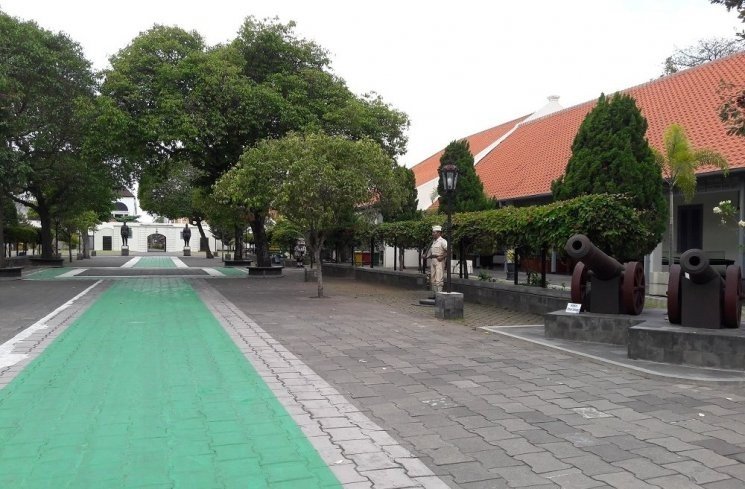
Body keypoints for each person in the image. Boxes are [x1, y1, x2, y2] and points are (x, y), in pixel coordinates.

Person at [427, 225, 448, 295]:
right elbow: (432, 252)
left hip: (439, 261)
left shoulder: (443, 241)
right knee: (432, 279)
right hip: (433, 260)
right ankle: (435, 294)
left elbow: (449, 250)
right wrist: (426, 256)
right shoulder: (434, 242)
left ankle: (439, 295)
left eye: (434, 232)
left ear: (439, 233)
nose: (432, 234)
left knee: (439, 278)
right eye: (432, 232)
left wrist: (442, 257)